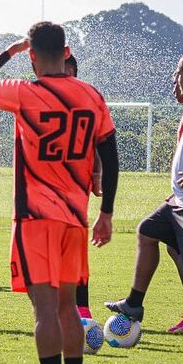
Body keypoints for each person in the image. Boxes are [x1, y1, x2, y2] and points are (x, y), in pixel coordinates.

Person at [0, 22, 119, 364]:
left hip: (34, 220)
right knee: (69, 308)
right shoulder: (90, 96)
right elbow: (111, 159)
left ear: (31, 55)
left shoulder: (24, 93)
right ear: (66, 52)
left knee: (44, 311)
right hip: (74, 219)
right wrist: (107, 212)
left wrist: (9, 52)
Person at [105, 49, 183, 334]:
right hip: (180, 199)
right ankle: (134, 303)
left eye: (178, 75)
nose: (176, 81)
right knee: (148, 231)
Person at [65, 54, 103, 319]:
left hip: (74, 188)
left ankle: (82, 309)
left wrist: (98, 172)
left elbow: (98, 141)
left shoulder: (85, 101)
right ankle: (65, 310)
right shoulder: (42, 99)